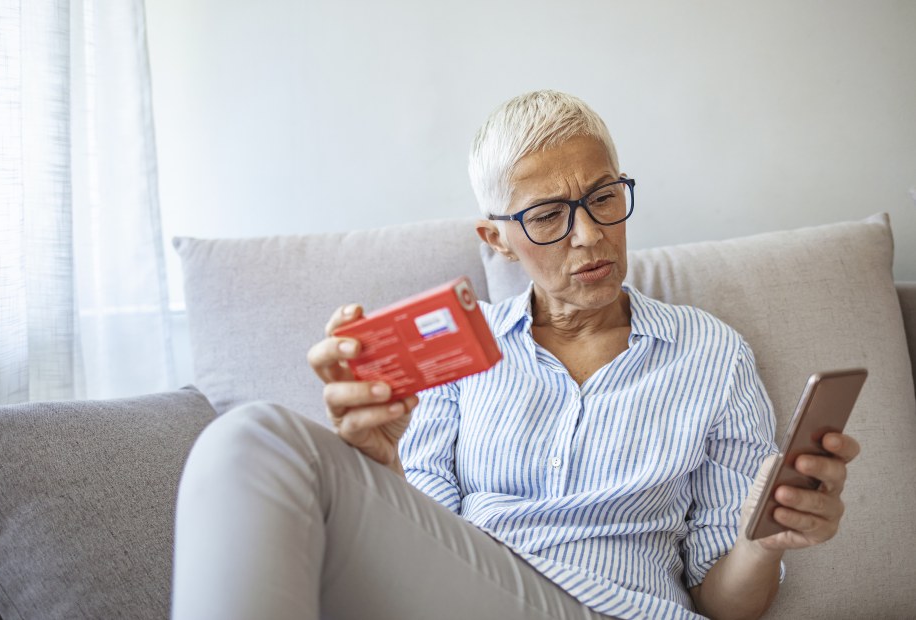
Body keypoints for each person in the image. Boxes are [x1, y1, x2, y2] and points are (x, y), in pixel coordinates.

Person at [172, 91, 860, 620]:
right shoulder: (455, 360)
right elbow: (422, 555)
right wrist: (380, 473)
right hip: (482, 592)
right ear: (495, 238)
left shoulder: (712, 353)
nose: (589, 236)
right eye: (547, 215)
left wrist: (765, 541)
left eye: (602, 199)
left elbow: (725, 603)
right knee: (252, 439)